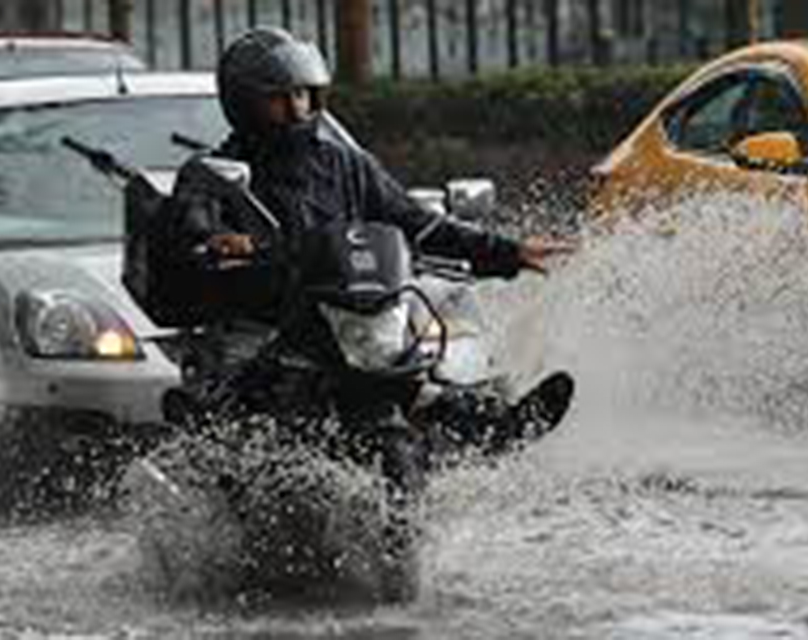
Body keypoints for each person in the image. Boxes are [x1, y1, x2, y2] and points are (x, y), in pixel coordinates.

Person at [163, 26, 575, 480]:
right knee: (240, 403)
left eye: (305, 95)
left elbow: (416, 221)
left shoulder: (345, 164)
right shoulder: (213, 174)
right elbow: (193, 221)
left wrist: (507, 252)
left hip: (349, 313)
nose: (298, 108)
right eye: (281, 98)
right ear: (244, 103)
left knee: (414, 367)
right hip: (266, 322)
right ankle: (228, 471)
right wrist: (216, 237)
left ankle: (492, 426)